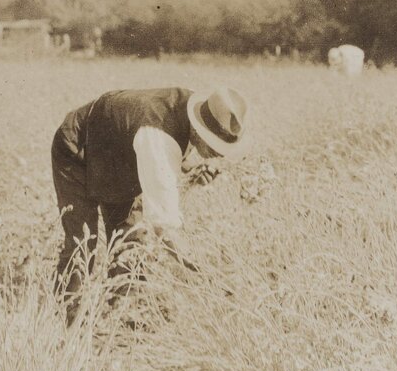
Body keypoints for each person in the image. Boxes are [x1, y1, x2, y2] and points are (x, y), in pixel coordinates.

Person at [51, 86, 250, 324]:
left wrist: (190, 171)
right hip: (77, 148)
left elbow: (163, 155)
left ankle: (122, 316)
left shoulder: (190, 111)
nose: (219, 155)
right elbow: (164, 227)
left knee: (129, 241)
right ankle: (67, 321)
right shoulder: (159, 137)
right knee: (83, 245)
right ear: (200, 130)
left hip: (117, 158)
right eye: (215, 146)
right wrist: (206, 272)